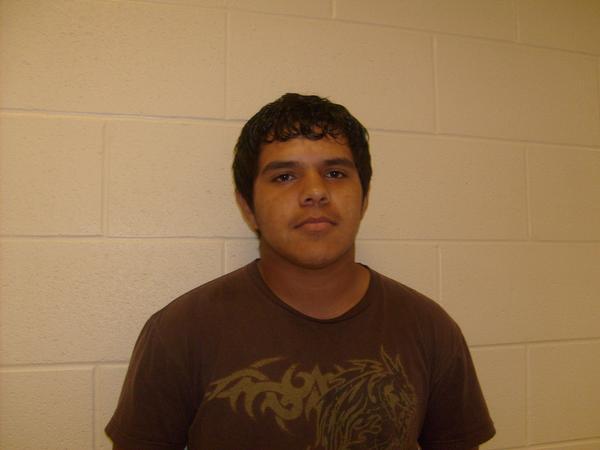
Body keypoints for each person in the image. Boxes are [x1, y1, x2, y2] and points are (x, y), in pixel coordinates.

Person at [106, 93, 495, 450]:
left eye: (335, 173)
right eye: (285, 176)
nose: (315, 192)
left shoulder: (430, 329)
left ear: (364, 197)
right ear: (248, 207)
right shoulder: (180, 332)